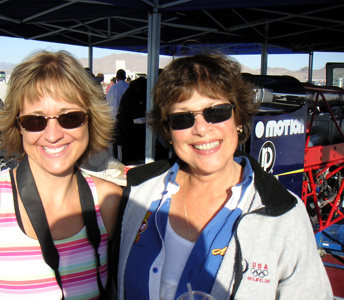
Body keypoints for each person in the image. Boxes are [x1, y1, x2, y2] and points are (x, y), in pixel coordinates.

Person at [116, 53, 333, 299]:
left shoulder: (284, 215)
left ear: (238, 118)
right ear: (168, 131)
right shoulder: (139, 194)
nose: (201, 128)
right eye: (182, 118)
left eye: (216, 112)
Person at [0, 50, 122, 299]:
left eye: (70, 118)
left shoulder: (110, 201)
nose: (52, 135)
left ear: (91, 121)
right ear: (18, 126)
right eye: (35, 121)